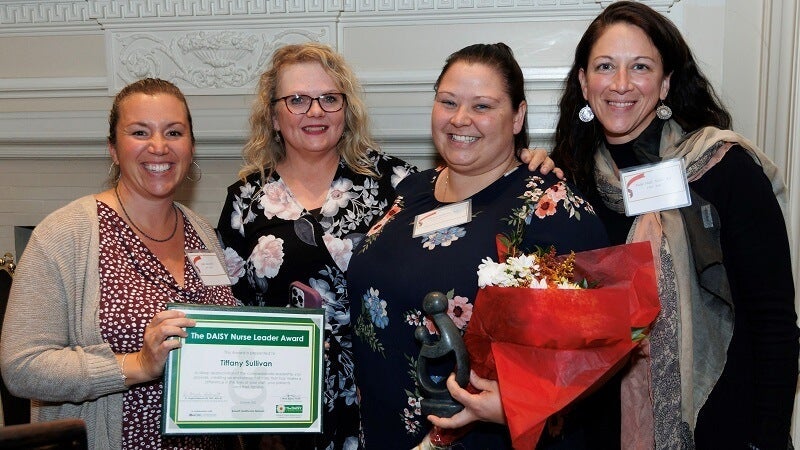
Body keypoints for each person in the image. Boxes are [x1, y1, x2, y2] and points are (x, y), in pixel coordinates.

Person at [216, 42, 560, 450]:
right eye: (297, 100)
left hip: (387, 394)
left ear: (347, 109)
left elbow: (477, 188)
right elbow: (231, 311)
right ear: (273, 115)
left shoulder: (397, 183)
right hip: (285, 410)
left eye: (329, 98)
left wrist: (524, 162)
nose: (315, 111)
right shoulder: (244, 201)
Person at [545, 2, 798, 449]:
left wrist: (769, 438)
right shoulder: (569, 186)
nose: (621, 84)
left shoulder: (724, 170)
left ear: (664, 84)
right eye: (605, 66)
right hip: (599, 430)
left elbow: (774, 321)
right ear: (585, 83)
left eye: (640, 67)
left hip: (718, 427)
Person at [346, 43, 610, 449]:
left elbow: (586, 359)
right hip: (383, 429)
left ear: (518, 115)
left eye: (482, 106)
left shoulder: (549, 208)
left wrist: (520, 401)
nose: (460, 118)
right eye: (448, 101)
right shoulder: (411, 189)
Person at [0, 78, 240, 450]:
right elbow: (22, 367)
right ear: (113, 149)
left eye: (174, 132)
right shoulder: (66, 234)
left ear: (191, 147)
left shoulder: (203, 233)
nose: (159, 147)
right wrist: (138, 364)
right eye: (140, 132)